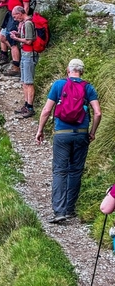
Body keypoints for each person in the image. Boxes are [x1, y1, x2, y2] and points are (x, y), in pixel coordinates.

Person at [35, 58, 102, 223]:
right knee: (75, 171)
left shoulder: (58, 85)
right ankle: (70, 209)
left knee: (60, 171)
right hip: (81, 134)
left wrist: (40, 130)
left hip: (62, 134)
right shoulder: (88, 87)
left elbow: (46, 110)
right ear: (82, 71)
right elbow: (98, 113)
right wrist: (92, 132)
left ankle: (59, 212)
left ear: (68, 70)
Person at [0, 0, 31, 76]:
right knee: (2, 37)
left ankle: (16, 66)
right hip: (9, 15)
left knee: (12, 40)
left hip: (17, 17)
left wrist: (22, 21)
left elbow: (26, 7)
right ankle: (17, 56)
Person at [10, 6, 37, 118]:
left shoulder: (28, 24)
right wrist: (18, 34)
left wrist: (16, 39)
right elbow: (26, 38)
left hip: (29, 54)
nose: (15, 18)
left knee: (28, 82)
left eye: (15, 16)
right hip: (25, 54)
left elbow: (29, 41)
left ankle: (30, 107)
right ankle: (26, 106)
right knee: (24, 82)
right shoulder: (25, 23)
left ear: (20, 13)